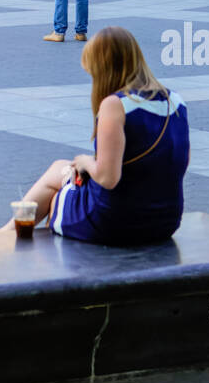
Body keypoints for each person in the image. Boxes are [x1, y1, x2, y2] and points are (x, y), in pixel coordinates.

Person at [10, 27, 189, 246]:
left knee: (60, 196)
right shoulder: (175, 101)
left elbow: (108, 178)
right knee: (61, 168)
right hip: (166, 220)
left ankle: (8, 236)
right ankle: (8, 232)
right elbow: (181, 162)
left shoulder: (115, 105)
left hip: (116, 221)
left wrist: (86, 162)